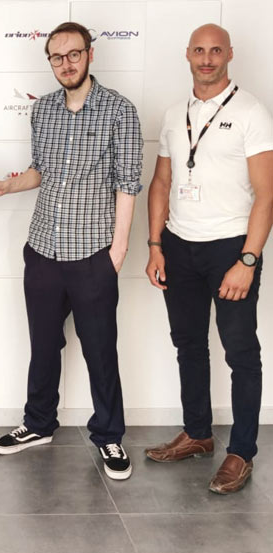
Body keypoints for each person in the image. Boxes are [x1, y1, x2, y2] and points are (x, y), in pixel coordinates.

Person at [0, 21, 143, 480]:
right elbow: (40, 171)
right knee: (44, 345)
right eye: (57, 57)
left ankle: (109, 435)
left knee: (100, 351)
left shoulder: (119, 110)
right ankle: (38, 424)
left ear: (90, 55)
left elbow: (128, 184)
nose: (66, 63)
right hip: (43, 249)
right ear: (50, 61)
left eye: (74, 54)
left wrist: (117, 252)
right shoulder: (44, 109)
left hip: (93, 254)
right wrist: (6, 186)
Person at [143, 24, 273, 494]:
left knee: (240, 352)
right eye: (199, 50)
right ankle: (198, 433)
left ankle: (241, 452)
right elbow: (161, 183)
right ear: (187, 54)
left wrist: (248, 260)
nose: (207, 58)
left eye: (216, 50)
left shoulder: (251, 111)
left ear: (229, 55)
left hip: (229, 248)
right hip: (179, 246)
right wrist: (155, 245)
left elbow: (267, 194)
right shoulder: (174, 114)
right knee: (189, 345)